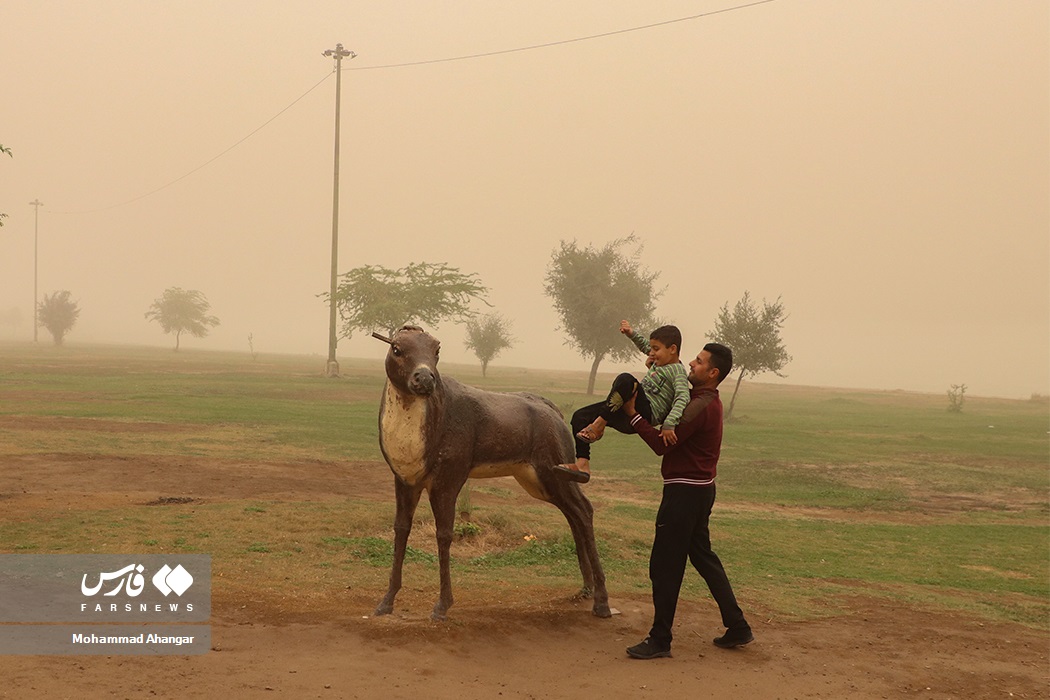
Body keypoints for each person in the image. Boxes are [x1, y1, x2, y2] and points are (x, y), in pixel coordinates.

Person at [622, 342, 753, 660]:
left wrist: (631, 415)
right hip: (701, 489)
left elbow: (661, 445)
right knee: (703, 557)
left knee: (664, 565)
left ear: (713, 373)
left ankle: (660, 639)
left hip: (684, 493)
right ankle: (737, 626)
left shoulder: (698, 407)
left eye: (698, 361)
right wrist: (655, 367)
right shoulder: (701, 399)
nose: (691, 364)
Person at [553, 322, 690, 484]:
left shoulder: (678, 371)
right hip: (625, 413)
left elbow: (683, 396)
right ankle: (583, 464)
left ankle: (599, 425)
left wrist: (669, 423)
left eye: (656, 349)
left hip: (646, 413)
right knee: (579, 417)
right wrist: (631, 333)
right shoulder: (658, 361)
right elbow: (645, 345)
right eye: (651, 349)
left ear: (672, 349)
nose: (651, 353)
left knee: (626, 379)